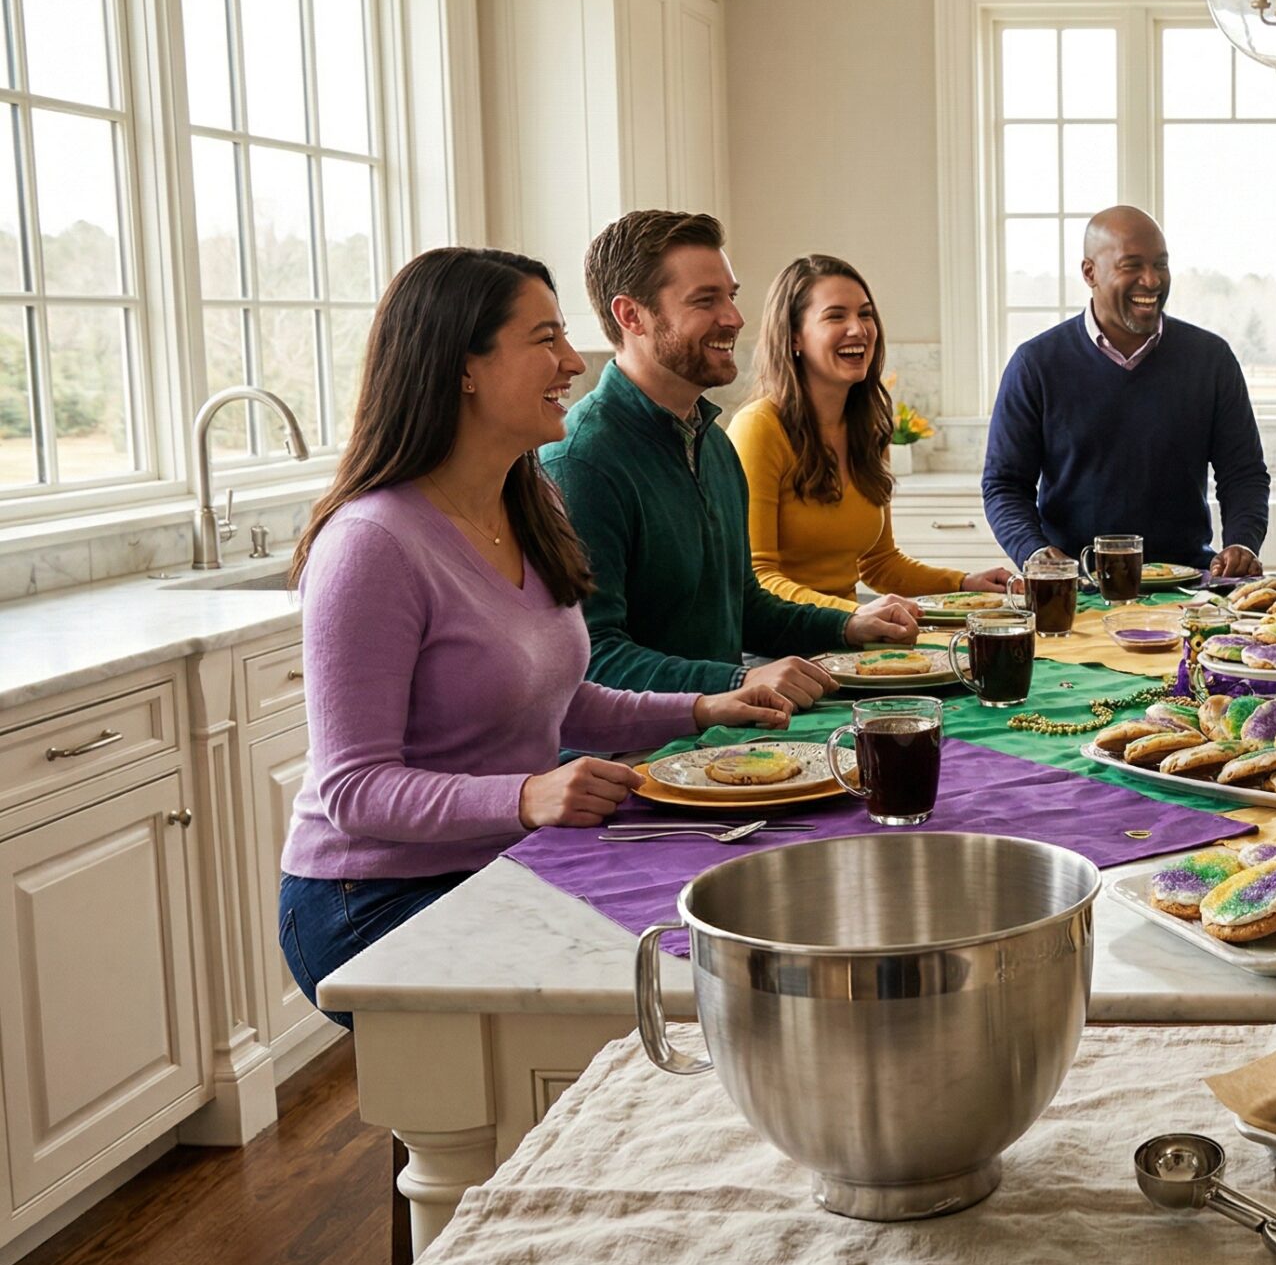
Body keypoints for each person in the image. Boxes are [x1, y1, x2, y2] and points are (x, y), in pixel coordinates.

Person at [280, 248, 793, 1022]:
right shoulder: (371, 544)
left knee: (730, 927)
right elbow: (354, 790)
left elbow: (554, 696)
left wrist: (706, 707)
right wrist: (528, 794)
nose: (570, 361)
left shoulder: (530, 507)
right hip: (374, 896)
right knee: (658, 999)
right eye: (545, 338)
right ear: (463, 367)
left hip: (504, 857)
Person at [543, 210, 917, 706]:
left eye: (732, 297)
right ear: (631, 315)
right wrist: (736, 683)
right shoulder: (581, 460)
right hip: (631, 761)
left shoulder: (711, 441)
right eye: (706, 301)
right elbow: (594, 657)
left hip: (717, 735)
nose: (735, 318)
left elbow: (746, 607)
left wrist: (850, 625)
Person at [981, 206, 1268, 575]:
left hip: (1188, 585)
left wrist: (1242, 543)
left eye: (1160, 264)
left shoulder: (1211, 360)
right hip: (1077, 587)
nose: (1151, 280)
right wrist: (1032, 551)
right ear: (1090, 273)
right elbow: (1004, 484)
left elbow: (1243, 474)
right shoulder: (1035, 364)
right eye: (1131, 265)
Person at [734, 255, 1014, 609]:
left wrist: (963, 583)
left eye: (865, 314)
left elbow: (880, 564)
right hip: (781, 646)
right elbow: (757, 578)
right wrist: (856, 614)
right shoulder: (759, 428)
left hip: (851, 638)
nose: (859, 328)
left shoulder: (868, 429)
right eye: (836, 316)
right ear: (793, 338)